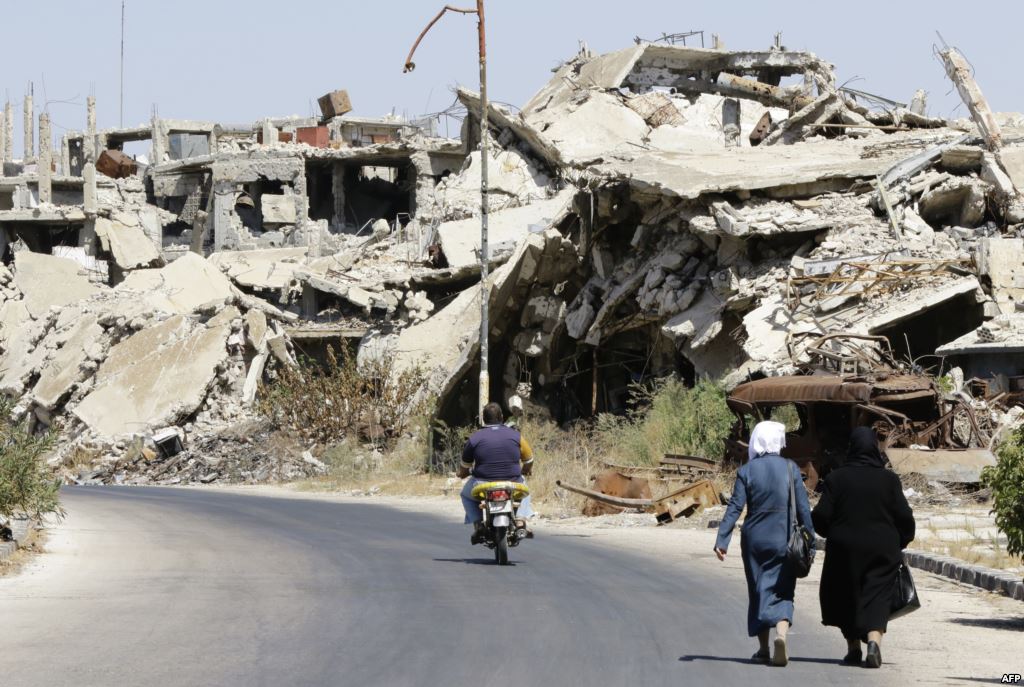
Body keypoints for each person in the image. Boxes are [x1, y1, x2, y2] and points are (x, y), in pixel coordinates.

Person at [812, 426, 915, 669]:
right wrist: (902, 539)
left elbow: (822, 515)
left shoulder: (837, 478)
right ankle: (873, 641)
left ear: (852, 448)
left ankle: (852, 649)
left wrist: (830, 534)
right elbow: (904, 516)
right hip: (882, 547)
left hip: (844, 548)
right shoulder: (888, 479)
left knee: (846, 594)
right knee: (878, 593)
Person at [714, 421, 815, 667]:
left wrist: (722, 539)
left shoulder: (747, 471)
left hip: (755, 541)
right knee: (783, 590)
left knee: (759, 590)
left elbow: (735, 506)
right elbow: (803, 508)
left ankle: (762, 649)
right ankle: (781, 635)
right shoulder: (791, 469)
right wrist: (810, 540)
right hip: (784, 539)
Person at [457, 402, 534, 543]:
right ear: (502, 417)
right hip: (513, 482)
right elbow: (529, 460)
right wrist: (525, 471)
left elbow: (464, 467)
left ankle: (478, 525)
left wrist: (462, 473)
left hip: (482, 484)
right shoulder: (516, 436)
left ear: (483, 419)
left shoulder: (474, 439)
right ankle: (521, 520)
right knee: (526, 492)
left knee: (465, 495)